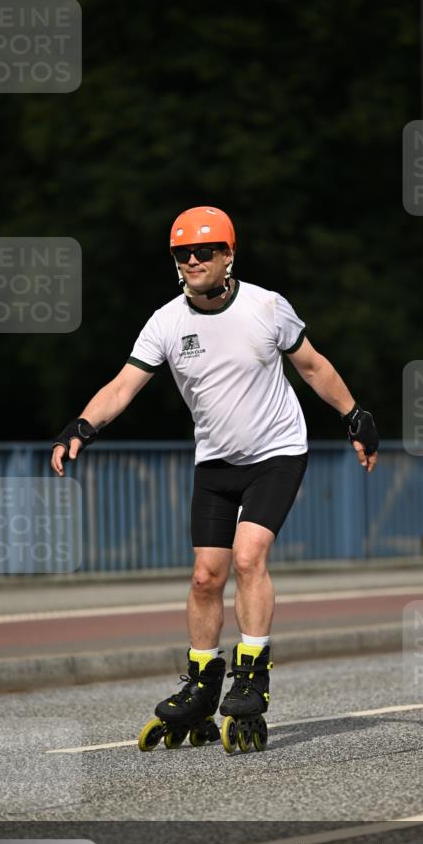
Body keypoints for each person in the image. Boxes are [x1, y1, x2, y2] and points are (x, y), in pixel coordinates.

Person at [51, 206, 379, 754]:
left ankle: (252, 675)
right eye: (184, 253)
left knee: (249, 557)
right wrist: (81, 426)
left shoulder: (267, 307)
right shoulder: (166, 322)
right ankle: (202, 686)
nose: (194, 261)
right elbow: (123, 386)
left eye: (206, 251)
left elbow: (314, 366)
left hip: (277, 451)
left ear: (229, 255)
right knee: (207, 576)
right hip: (216, 461)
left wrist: (354, 416)